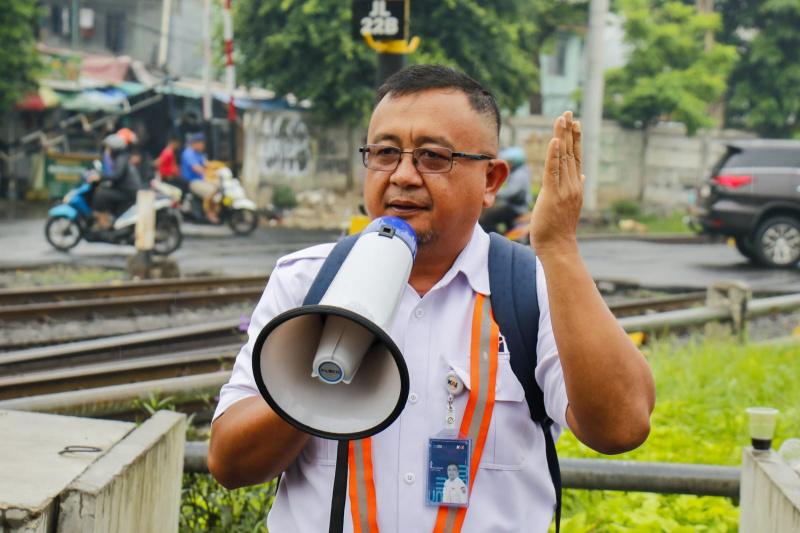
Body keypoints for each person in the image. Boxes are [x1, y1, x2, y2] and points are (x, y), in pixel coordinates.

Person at [208, 64, 655, 532]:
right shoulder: (307, 281)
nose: (402, 175)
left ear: (491, 180)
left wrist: (559, 248)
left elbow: (621, 428)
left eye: (432, 157)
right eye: (384, 153)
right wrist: (322, 376)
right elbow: (229, 463)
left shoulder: (536, 288)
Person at [87, 133, 142, 230]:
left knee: (101, 194)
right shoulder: (121, 158)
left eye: (108, 148)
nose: (106, 151)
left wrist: (100, 177)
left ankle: (103, 223)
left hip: (128, 192)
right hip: (125, 189)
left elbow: (116, 176)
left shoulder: (121, 159)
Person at [478, 145, 533, 234]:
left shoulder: (520, 174)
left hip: (515, 209)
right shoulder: (516, 172)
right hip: (511, 206)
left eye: (509, 162)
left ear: (515, 162)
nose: (507, 164)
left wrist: (494, 192)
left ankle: (497, 240)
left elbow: (511, 192)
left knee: (488, 217)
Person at [180, 132, 219, 223]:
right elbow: (195, 168)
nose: (203, 146)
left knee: (218, 188)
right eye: (202, 143)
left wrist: (218, 168)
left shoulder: (198, 153)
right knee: (211, 192)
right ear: (195, 143)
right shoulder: (188, 153)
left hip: (201, 180)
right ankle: (210, 214)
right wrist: (208, 172)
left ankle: (216, 212)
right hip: (192, 182)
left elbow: (207, 163)